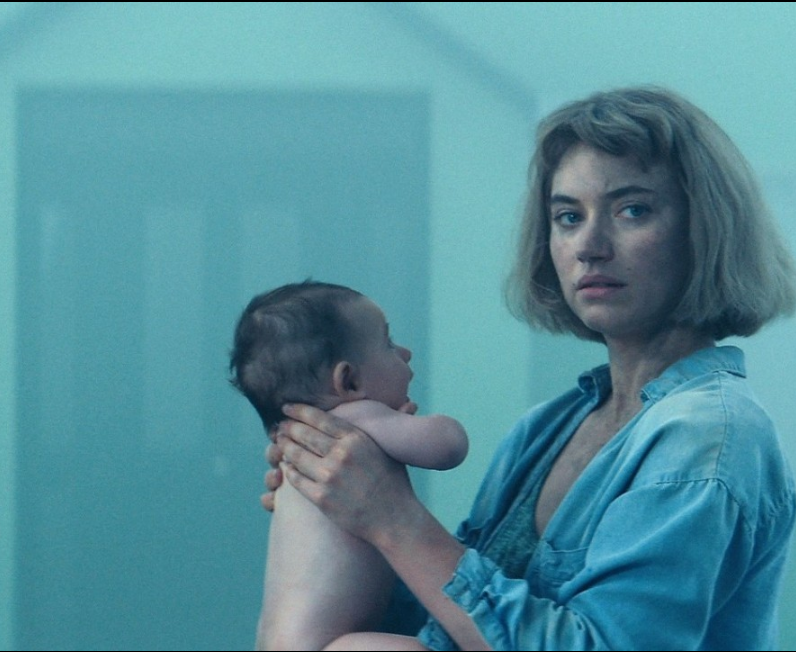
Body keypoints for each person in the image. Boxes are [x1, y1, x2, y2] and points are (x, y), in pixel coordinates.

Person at [264, 86, 796, 650]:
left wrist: (394, 520)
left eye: (632, 210)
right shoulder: (543, 430)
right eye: (568, 217)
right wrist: (336, 509)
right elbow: (448, 628)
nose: (589, 245)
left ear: (706, 229)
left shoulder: (708, 437)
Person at [230, 280, 468, 650]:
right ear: (350, 381)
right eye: (388, 343)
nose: (405, 353)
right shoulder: (356, 419)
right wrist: (418, 426)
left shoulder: (303, 450)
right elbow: (448, 447)